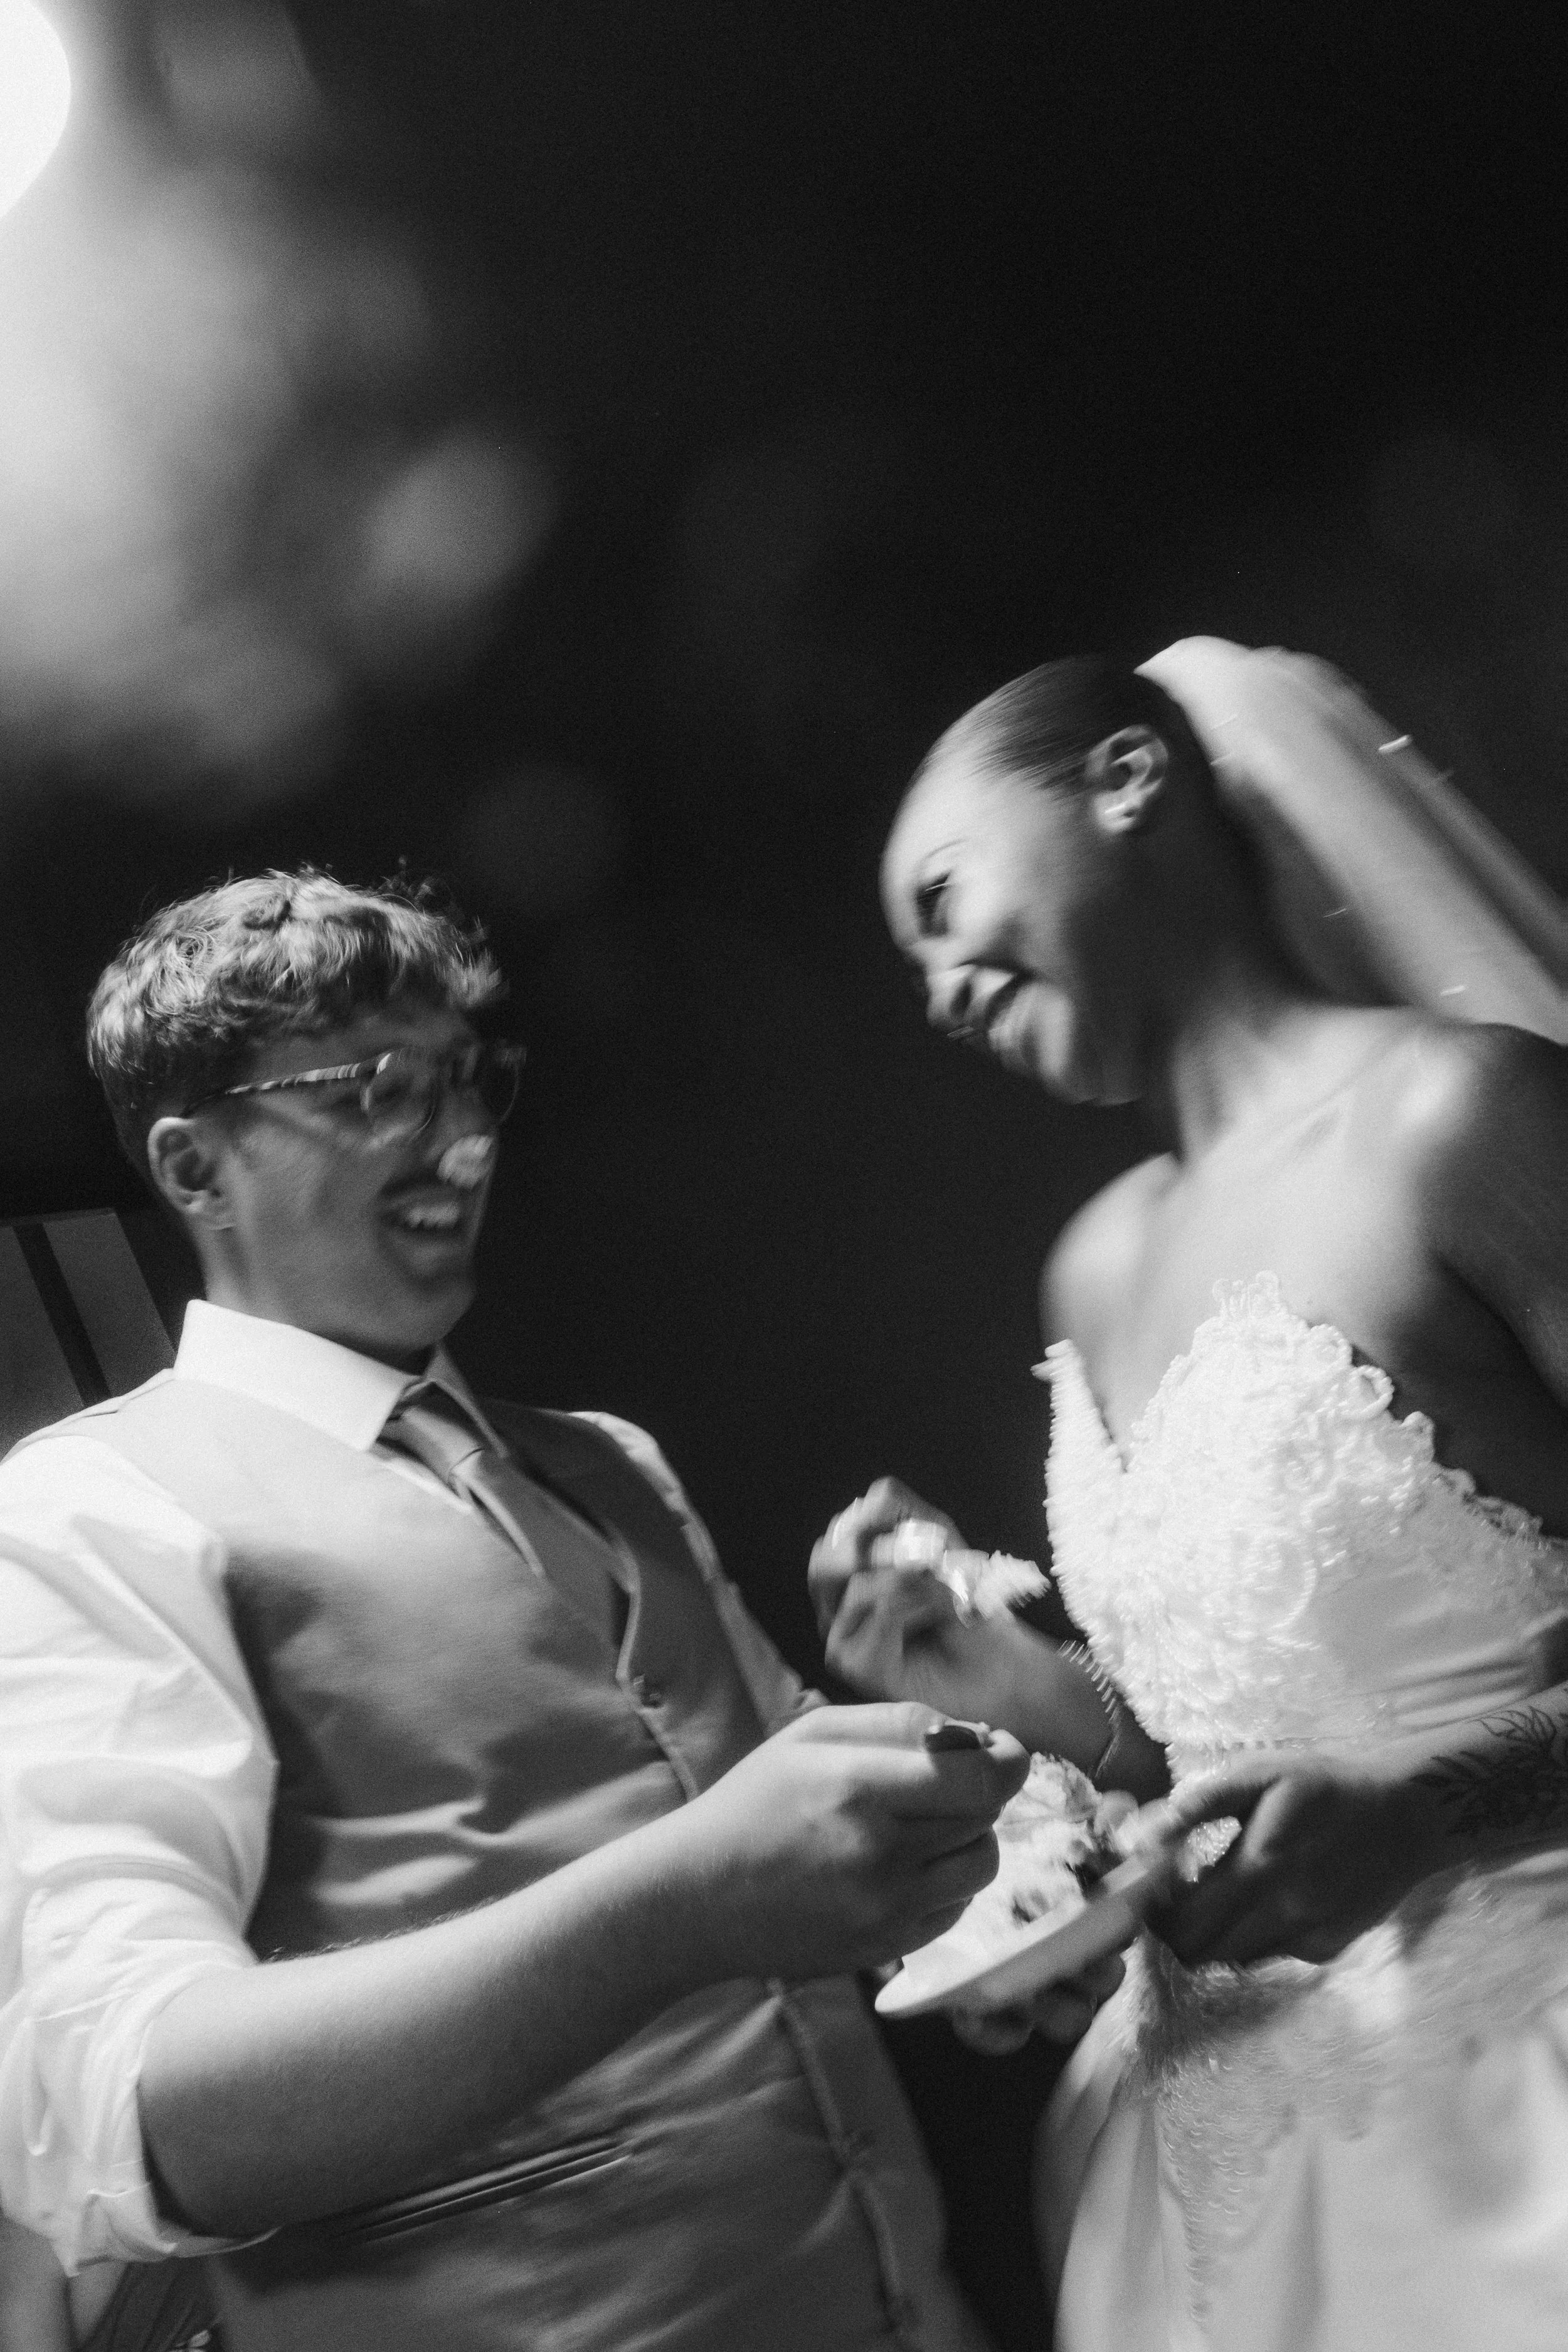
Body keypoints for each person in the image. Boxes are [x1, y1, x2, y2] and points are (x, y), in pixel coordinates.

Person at [0, 867, 1067, 2352]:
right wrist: (674, 1905)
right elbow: (145, 2113)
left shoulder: (607, 1460)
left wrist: (989, 1820)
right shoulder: (86, 1513)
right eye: (376, 1090)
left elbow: (786, 1854)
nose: (467, 1140)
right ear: (195, 1168)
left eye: (471, 1081)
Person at [811, 638, 1568, 2349]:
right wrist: (1020, 1697)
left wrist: (1433, 1804)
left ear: (1128, 779)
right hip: (1219, 2177)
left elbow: (1387, 1763)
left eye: (941, 896)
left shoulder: (1463, 1118)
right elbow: (1228, 1750)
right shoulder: (1094, 1265)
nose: (936, 985)